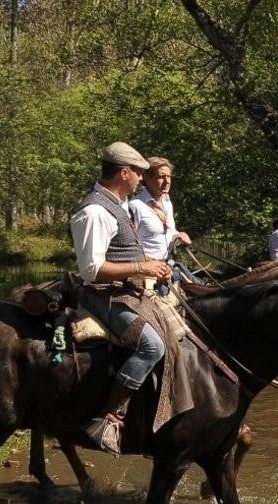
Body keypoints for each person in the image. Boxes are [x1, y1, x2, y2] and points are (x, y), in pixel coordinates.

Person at [69, 142, 171, 454]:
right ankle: (108, 417)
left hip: (126, 292)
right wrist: (142, 266)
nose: (142, 178)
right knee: (152, 345)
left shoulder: (118, 204)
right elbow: (91, 270)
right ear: (124, 173)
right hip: (102, 296)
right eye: (139, 173)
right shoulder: (94, 211)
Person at [132, 156, 195, 287]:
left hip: (168, 267)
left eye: (169, 176)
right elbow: (130, 245)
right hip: (147, 274)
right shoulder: (135, 206)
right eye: (161, 177)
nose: (167, 181)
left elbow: (169, 231)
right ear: (147, 178)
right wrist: (146, 265)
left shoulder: (167, 201)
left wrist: (180, 236)